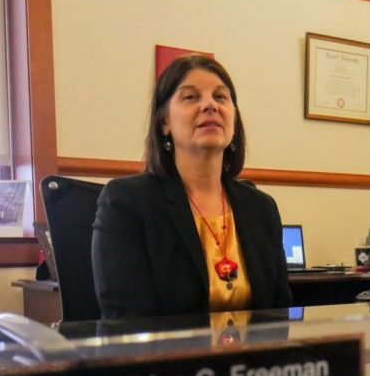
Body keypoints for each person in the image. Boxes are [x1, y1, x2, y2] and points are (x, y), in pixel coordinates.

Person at [92, 55, 293, 319]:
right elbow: (128, 320)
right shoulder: (127, 202)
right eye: (191, 97)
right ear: (164, 122)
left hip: (255, 360)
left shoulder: (261, 207)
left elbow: (279, 315)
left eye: (221, 97)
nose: (210, 105)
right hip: (171, 359)